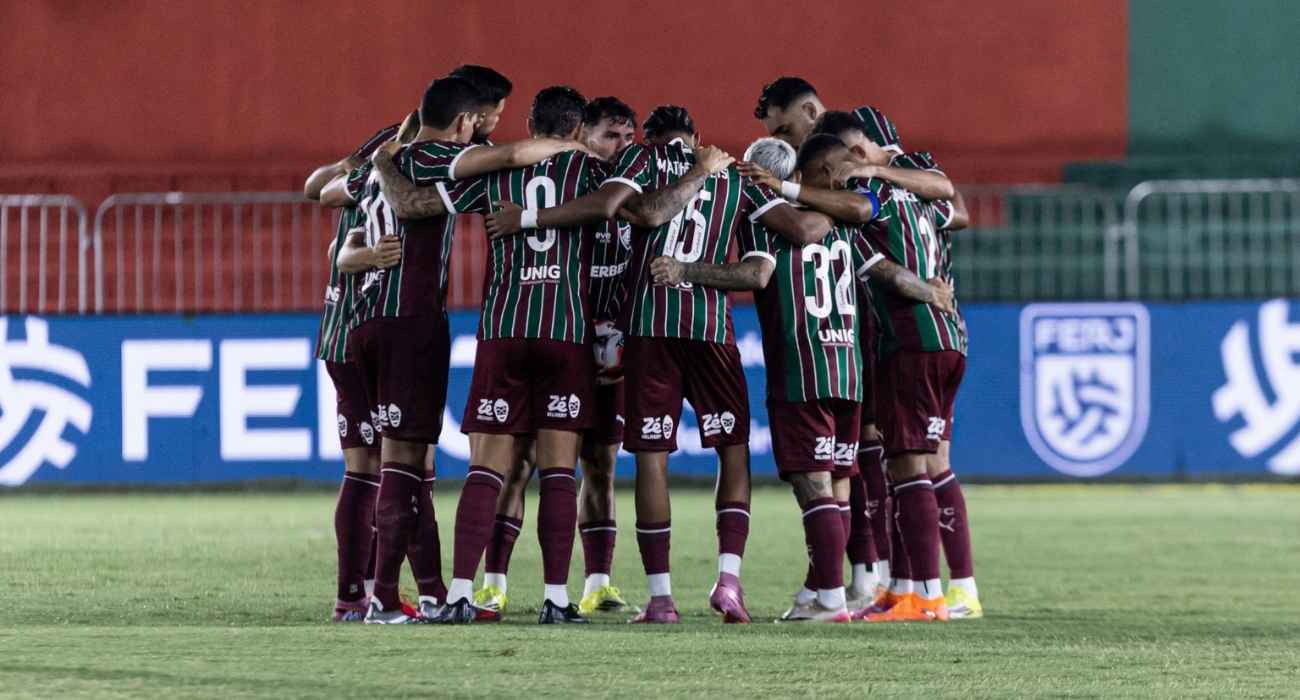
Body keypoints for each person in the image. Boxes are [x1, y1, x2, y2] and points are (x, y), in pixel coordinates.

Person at [485, 104, 836, 623]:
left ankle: (659, 598)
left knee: (640, 457)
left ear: (646, 139)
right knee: (731, 450)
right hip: (705, 330)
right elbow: (799, 231)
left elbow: (642, 213)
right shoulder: (731, 175)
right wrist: (843, 199)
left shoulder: (641, 163)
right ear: (696, 135)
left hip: (643, 328)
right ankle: (728, 580)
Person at [327, 75, 587, 624]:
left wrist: (379, 165)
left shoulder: (384, 163)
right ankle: (380, 599)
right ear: (465, 120)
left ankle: (427, 593)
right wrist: (569, 145)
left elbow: (328, 205)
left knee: (410, 463)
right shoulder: (436, 156)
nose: (488, 130)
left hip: (364, 320)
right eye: (486, 118)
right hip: (410, 320)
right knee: (400, 463)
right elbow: (510, 155)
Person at [671, 134, 950, 622]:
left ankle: (831, 599)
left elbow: (759, 272)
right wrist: (931, 291)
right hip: (849, 371)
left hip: (802, 367)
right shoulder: (845, 226)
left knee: (812, 484)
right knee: (838, 485)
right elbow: (887, 271)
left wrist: (685, 270)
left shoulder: (764, 221)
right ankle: (820, 589)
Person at [469, 96, 640, 617]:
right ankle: (494, 583)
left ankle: (598, 582)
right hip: (563, 333)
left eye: (628, 138)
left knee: (601, 462)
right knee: (521, 461)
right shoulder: (574, 178)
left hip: (609, 342)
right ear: (583, 133)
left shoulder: (624, 185)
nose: (621, 146)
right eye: (611, 136)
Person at [810, 110, 981, 619]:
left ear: (857, 151)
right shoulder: (918, 193)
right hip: (945, 337)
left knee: (913, 466)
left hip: (914, 339)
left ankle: (928, 595)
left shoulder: (874, 198)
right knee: (916, 463)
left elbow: (888, 265)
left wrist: (789, 190)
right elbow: (955, 206)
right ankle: (911, 586)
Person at [305, 118, 402, 622]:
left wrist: (352, 162)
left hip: (340, 334)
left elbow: (316, 190)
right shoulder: (392, 178)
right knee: (388, 468)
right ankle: (371, 593)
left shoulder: (357, 184)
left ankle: (359, 593)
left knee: (368, 469)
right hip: (362, 335)